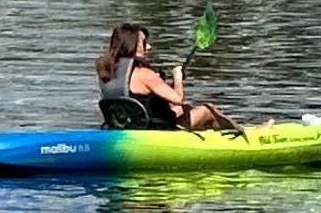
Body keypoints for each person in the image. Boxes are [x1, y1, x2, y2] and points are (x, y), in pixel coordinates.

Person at [97, 21, 230, 134]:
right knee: (207, 110)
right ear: (132, 47)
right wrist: (177, 78)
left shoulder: (107, 72)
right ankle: (238, 139)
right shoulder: (145, 74)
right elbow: (178, 99)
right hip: (154, 131)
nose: (149, 46)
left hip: (123, 127)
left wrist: (166, 85)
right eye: (144, 43)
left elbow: (138, 96)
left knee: (182, 109)